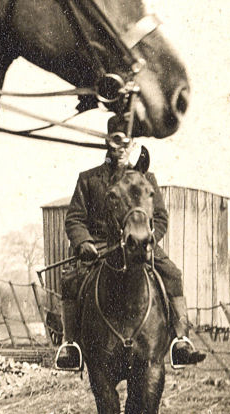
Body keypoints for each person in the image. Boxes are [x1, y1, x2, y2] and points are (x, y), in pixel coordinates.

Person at [56, 122, 206, 371]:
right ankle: (71, 345)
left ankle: (180, 340)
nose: (123, 148)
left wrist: (147, 237)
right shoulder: (89, 179)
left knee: (173, 274)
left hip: (139, 243)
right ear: (108, 142)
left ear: (133, 144)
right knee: (70, 279)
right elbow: (75, 218)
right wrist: (84, 242)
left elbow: (159, 217)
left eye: (128, 142)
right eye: (118, 142)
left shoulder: (147, 179)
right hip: (101, 246)